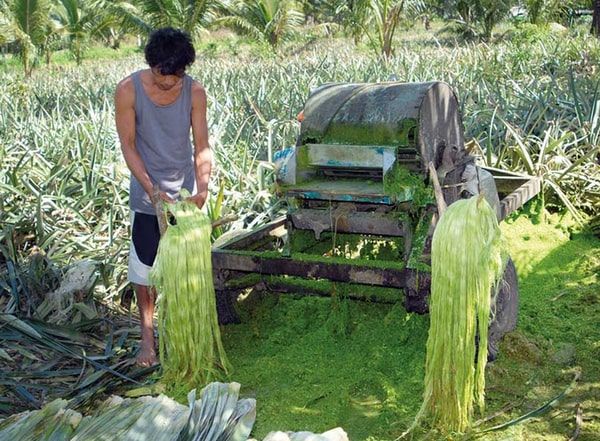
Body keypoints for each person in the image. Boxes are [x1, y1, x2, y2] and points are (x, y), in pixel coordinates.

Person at [114, 27, 212, 367]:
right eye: (161, 75)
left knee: (188, 273)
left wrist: (202, 190)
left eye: (176, 76)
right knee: (144, 273)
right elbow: (128, 145)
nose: (169, 82)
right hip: (147, 197)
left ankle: (185, 337)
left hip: (184, 200)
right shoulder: (128, 90)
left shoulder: (195, 93)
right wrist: (151, 190)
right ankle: (147, 338)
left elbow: (202, 147)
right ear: (151, 65)